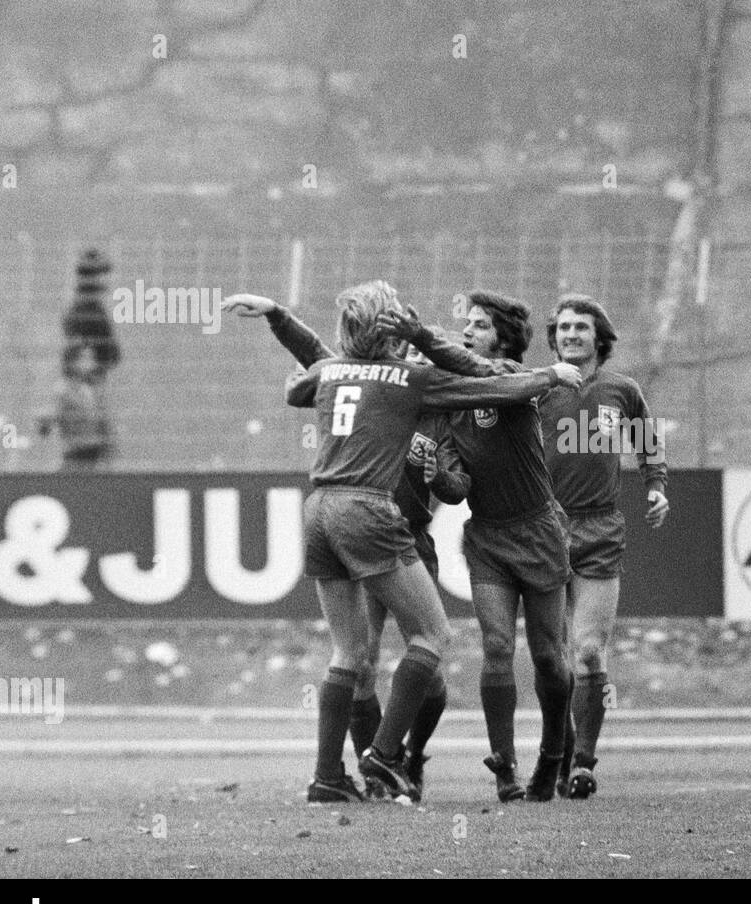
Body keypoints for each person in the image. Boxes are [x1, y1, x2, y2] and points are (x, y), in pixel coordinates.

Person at [222, 285, 581, 803]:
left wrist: (278, 316)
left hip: (318, 509)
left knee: (348, 651)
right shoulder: (411, 378)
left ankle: (327, 777)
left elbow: (312, 362)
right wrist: (550, 375)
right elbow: (494, 391)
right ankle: (385, 754)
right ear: (390, 329)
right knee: (434, 637)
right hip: (367, 512)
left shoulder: (334, 371)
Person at [253, 300, 478, 801]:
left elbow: (458, 487)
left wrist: (434, 469)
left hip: (407, 536)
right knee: (367, 658)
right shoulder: (377, 383)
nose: (409, 357)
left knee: (426, 673)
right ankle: (371, 766)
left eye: (418, 349)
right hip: (367, 525)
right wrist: (279, 319)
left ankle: (403, 757)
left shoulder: (440, 413)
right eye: (400, 344)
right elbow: (321, 357)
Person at [399, 292, 577, 803]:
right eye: (467, 323)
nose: (469, 329)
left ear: (502, 337)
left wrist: (421, 335)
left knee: (548, 656)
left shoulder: (506, 377)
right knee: (496, 646)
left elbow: (484, 371)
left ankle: (553, 755)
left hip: (539, 531)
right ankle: (505, 768)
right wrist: (439, 475)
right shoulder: (455, 400)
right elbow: (456, 489)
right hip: (488, 538)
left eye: (479, 324)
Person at [539, 294, 669, 798]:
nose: (571, 334)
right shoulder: (537, 388)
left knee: (589, 651)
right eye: (564, 327)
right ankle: (557, 753)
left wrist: (656, 486)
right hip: (543, 532)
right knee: (553, 659)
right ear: (554, 337)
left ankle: (583, 763)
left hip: (599, 532)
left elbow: (647, 443)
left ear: (599, 338)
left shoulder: (622, 390)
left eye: (581, 328)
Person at [38, 340, 113, 470]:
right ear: (72, 362)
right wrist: (46, 421)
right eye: (86, 358)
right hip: (76, 458)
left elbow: (102, 424)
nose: (92, 362)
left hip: (95, 459)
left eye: (92, 358)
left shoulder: (91, 389)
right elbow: (48, 421)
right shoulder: (63, 390)